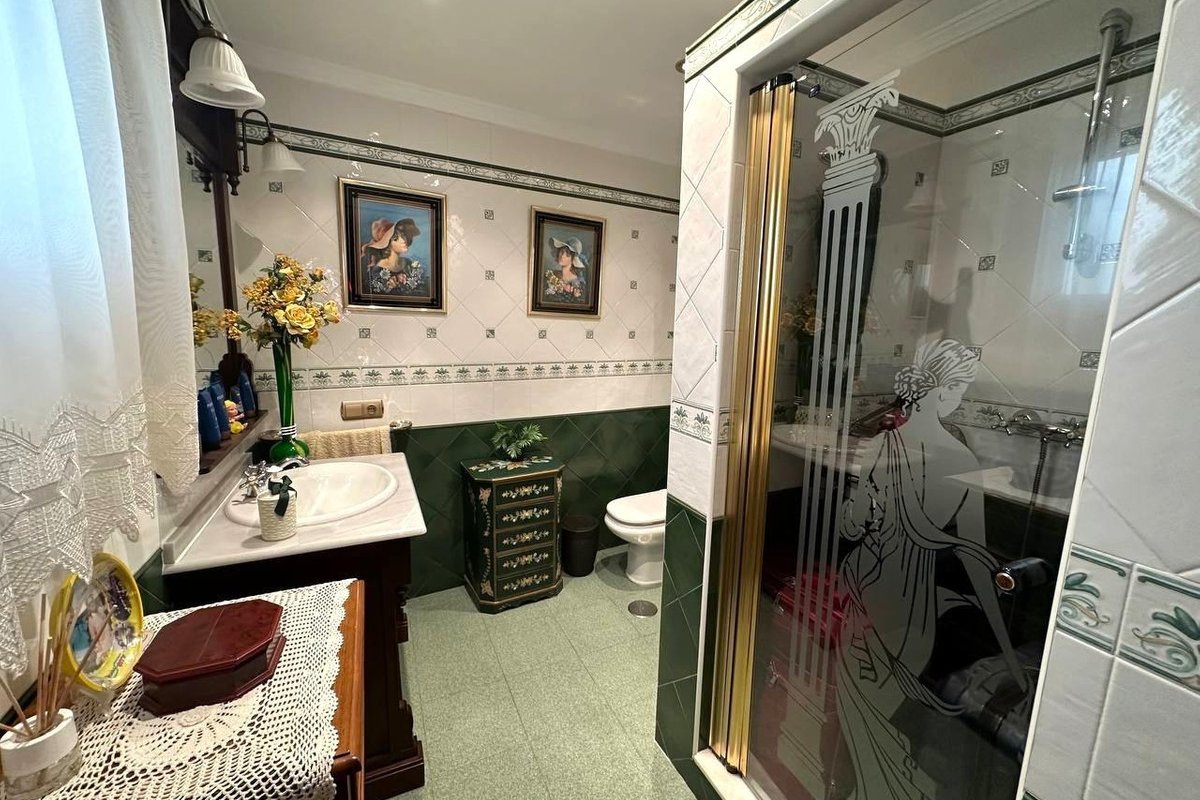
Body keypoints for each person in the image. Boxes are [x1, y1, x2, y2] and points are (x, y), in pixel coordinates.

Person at [833, 338, 1027, 799]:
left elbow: (848, 526)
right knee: (876, 715)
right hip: (907, 607)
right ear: (942, 391)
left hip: (866, 592)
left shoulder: (881, 445)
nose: (960, 398)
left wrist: (864, 514)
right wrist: (1007, 647)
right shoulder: (962, 460)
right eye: (960, 389)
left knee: (863, 715)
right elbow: (978, 561)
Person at [360, 218, 421, 294]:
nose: (404, 240)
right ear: (387, 243)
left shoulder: (409, 263)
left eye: (404, 235)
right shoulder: (376, 272)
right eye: (396, 238)